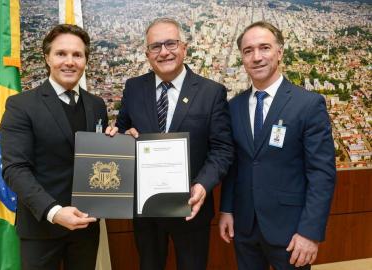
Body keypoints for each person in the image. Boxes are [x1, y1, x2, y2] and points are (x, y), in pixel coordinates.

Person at [107, 17, 234, 270]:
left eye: (171, 44)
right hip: (146, 209)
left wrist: (203, 185)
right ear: (147, 54)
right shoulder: (133, 88)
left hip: (190, 207)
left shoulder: (211, 92)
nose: (164, 52)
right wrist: (119, 137)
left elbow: (222, 149)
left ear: (184, 47)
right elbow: (122, 130)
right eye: (156, 46)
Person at [219, 21, 336, 269]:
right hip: (245, 227)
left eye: (265, 48)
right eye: (248, 50)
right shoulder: (234, 107)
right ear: (242, 57)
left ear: (280, 52)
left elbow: (321, 174)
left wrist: (310, 232)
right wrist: (227, 210)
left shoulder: (308, 104)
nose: (257, 57)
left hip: (292, 231)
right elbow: (234, 164)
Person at [0, 24, 108, 270]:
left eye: (77, 55)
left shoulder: (97, 105)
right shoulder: (21, 105)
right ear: (47, 57)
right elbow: (15, 169)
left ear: (85, 61)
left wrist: (113, 142)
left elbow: (97, 160)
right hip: (41, 227)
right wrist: (54, 211)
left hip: (86, 226)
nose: (69, 61)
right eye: (61, 54)